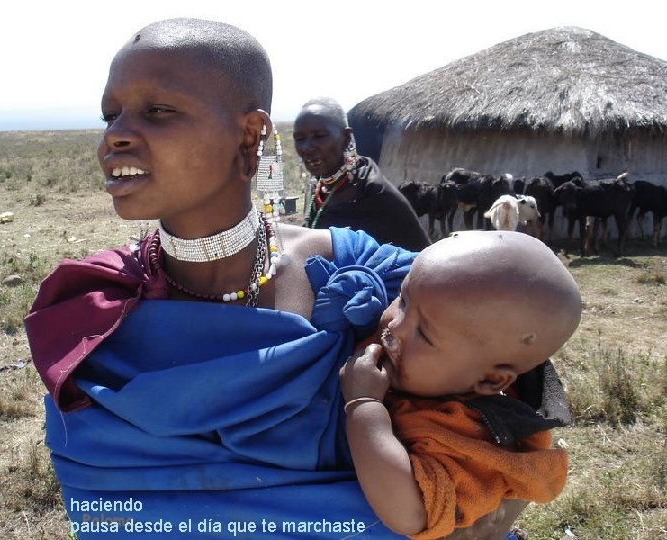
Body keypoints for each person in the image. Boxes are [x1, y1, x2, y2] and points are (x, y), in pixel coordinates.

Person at [24, 18, 417, 539]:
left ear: (250, 135)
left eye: (158, 110)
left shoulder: (355, 270)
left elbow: (506, 353)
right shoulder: (92, 303)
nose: (115, 134)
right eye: (110, 114)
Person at [339, 230, 582, 540]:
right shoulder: (433, 360)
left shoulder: (467, 439)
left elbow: (409, 514)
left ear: (490, 380)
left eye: (423, 335)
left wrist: (363, 405)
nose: (394, 327)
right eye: (402, 300)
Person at [294, 97, 429, 251]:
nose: (307, 147)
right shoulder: (317, 187)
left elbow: (421, 256)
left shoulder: (375, 193)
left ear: (345, 138)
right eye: (300, 139)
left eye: (319, 136)